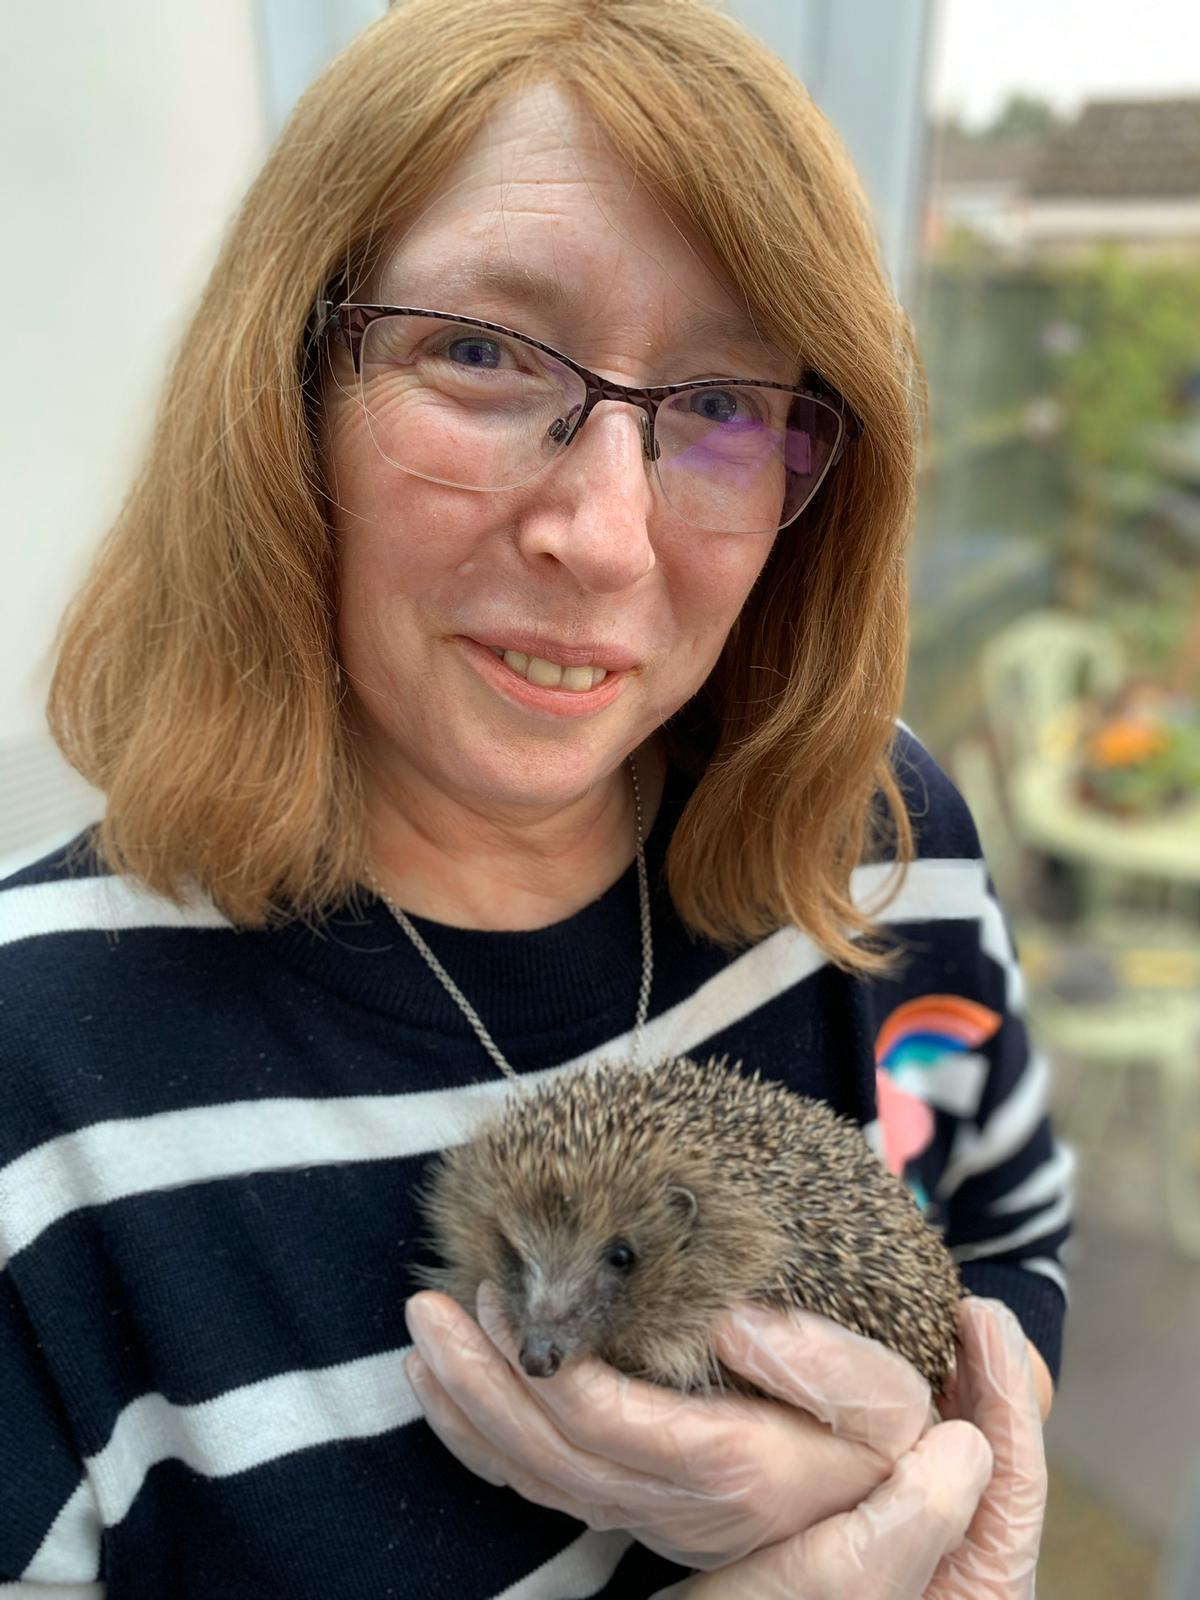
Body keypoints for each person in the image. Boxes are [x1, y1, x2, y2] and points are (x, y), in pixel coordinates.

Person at [0, 1, 1066, 1595]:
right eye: (481, 353)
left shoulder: (888, 841)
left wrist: (959, 1454)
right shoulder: (33, 1074)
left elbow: (1004, 1236)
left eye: (721, 402)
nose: (606, 537)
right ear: (283, 395)